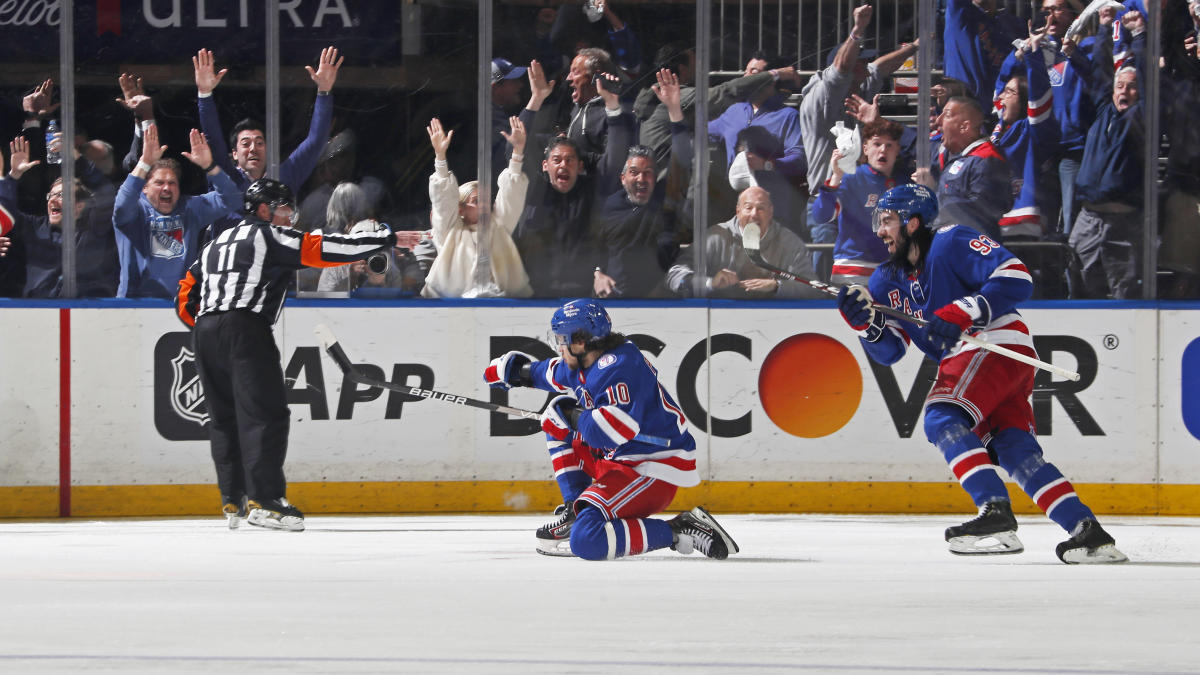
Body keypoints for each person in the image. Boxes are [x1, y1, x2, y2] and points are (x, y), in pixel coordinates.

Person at [835, 183, 1126, 564]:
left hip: (993, 343)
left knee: (941, 415)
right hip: (989, 361)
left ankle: (995, 512)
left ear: (913, 223)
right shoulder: (885, 281)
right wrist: (865, 326)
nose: (879, 231)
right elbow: (890, 351)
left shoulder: (951, 241)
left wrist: (963, 309)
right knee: (1013, 449)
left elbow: (1018, 275)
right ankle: (1087, 532)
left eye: (887, 221)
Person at [175, 178, 396, 531]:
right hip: (245, 327)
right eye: (283, 209)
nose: (289, 217)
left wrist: (209, 324)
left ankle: (233, 499)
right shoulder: (269, 235)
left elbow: (185, 295)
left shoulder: (215, 243)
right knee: (265, 414)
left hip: (205, 332)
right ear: (263, 209)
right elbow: (325, 249)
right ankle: (266, 501)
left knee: (225, 418)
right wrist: (381, 237)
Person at [482, 298, 739, 560]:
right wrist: (516, 372)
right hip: (623, 460)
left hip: (652, 468)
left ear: (580, 340)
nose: (559, 347)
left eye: (561, 339)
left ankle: (679, 529)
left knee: (587, 540)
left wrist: (571, 416)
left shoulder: (620, 367)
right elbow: (552, 372)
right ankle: (576, 508)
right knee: (556, 417)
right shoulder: (586, 360)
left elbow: (613, 431)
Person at [192, 46, 341, 234]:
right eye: (245, 144)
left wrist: (324, 91)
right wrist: (205, 94)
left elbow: (316, 142)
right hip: (232, 262)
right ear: (234, 154)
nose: (253, 148)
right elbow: (213, 141)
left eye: (260, 143)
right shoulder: (225, 177)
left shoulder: (283, 178)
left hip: (272, 262)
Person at [513, 73, 633, 297]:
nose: (563, 165)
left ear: (579, 166)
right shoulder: (532, 191)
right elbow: (520, 145)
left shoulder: (592, 192)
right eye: (557, 160)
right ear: (545, 165)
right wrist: (536, 98)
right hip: (531, 297)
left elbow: (616, 158)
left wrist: (612, 105)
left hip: (582, 296)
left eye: (570, 160)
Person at [112, 124, 242, 298]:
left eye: (172, 183)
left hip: (180, 304)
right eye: (159, 183)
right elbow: (121, 204)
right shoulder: (135, 212)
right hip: (135, 304)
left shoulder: (190, 208)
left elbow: (232, 199)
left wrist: (210, 166)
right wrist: (144, 163)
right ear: (144, 188)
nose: (166, 188)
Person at [592, 69, 690, 299]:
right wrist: (597, 274)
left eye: (648, 173)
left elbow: (683, 159)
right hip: (615, 300)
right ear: (622, 178)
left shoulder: (665, 198)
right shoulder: (610, 206)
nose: (641, 179)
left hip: (660, 300)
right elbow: (594, 248)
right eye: (634, 172)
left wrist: (674, 109)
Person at [422, 116, 533, 298]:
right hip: (452, 313)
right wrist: (440, 157)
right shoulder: (449, 232)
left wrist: (518, 153)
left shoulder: (498, 227)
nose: (483, 207)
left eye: (486, 201)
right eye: (476, 201)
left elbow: (511, 196)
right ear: (460, 209)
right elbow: (443, 202)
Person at [666, 186, 824, 299]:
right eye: (748, 208)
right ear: (738, 211)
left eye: (761, 208)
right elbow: (674, 275)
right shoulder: (715, 236)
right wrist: (710, 283)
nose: (754, 214)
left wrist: (776, 286)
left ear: (771, 212)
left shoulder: (789, 242)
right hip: (720, 319)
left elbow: (812, 288)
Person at [1069, 65, 1145, 299]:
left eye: (1132, 87)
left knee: (1124, 291)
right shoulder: (1102, 114)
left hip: (1123, 223)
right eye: (1120, 86)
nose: (1124, 91)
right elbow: (1097, 72)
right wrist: (1102, 31)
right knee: (1079, 283)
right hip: (1088, 219)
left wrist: (1141, 36)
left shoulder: (1142, 119)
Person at [811, 119, 903, 286]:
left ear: (898, 150)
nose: (883, 150)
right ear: (865, 149)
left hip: (891, 272)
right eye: (877, 144)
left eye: (889, 145)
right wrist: (836, 178)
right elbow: (821, 216)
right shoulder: (850, 177)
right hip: (853, 271)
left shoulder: (904, 182)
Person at [913, 96, 1012, 241]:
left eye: (946, 115)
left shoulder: (986, 160)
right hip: (950, 244)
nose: (939, 120)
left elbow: (979, 213)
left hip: (973, 249)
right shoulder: (956, 156)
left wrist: (932, 194)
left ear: (964, 127)